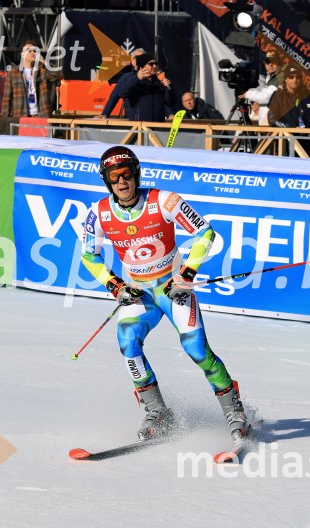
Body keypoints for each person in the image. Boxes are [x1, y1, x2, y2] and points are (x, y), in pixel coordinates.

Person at [81, 146, 249, 443]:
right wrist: (115, 285)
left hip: (172, 289)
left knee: (197, 350)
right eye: (114, 177)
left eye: (127, 174)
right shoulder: (99, 213)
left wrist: (186, 274)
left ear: (136, 174)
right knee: (127, 342)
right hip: (138, 293)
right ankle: (157, 412)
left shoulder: (164, 200)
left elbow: (205, 233)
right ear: (107, 181)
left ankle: (233, 410)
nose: (122, 182)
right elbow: (89, 256)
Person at [267, 67, 310, 158]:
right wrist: (291, 128)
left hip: (308, 142)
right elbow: (271, 119)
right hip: (285, 142)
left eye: (298, 77)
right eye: (291, 77)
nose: (295, 80)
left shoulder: (309, 95)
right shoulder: (278, 95)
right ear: (286, 79)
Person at [0, 40, 62, 118]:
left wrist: (44, 62)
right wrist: (6, 120)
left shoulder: (42, 70)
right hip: (21, 116)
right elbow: (6, 99)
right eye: (29, 50)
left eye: (34, 50)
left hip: (41, 115)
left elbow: (59, 75)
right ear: (22, 54)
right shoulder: (13, 73)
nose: (32, 52)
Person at [112, 53, 174, 122]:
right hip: (139, 127)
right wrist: (137, 78)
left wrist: (169, 87)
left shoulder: (159, 81)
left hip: (157, 126)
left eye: (156, 63)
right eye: (151, 64)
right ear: (142, 66)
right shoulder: (133, 79)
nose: (154, 66)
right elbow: (121, 93)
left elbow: (170, 102)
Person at [97, 49, 146, 119]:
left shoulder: (151, 75)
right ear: (132, 60)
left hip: (149, 115)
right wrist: (105, 113)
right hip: (131, 115)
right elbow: (114, 96)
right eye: (135, 57)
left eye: (140, 57)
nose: (137, 59)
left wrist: (168, 113)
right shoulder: (126, 75)